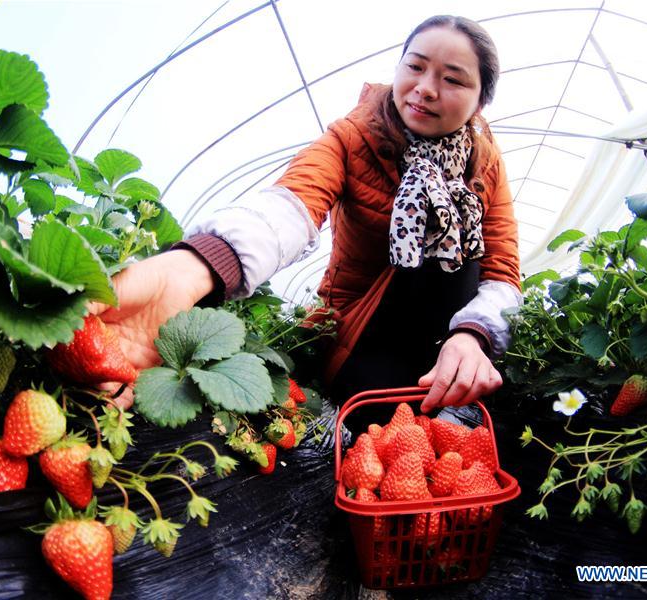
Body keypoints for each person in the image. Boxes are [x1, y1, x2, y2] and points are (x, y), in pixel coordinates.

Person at [93, 15, 521, 417]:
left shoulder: (485, 163)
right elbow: (290, 206)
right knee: (379, 415)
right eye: (415, 66)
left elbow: (502, 268)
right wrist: (196, 267)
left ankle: (450, 359)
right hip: (363, 332)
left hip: (445, 327)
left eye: (452, 79)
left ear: (480, 101)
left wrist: (472, 335)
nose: (425, 88)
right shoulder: (353, 137)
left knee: (470, 261)